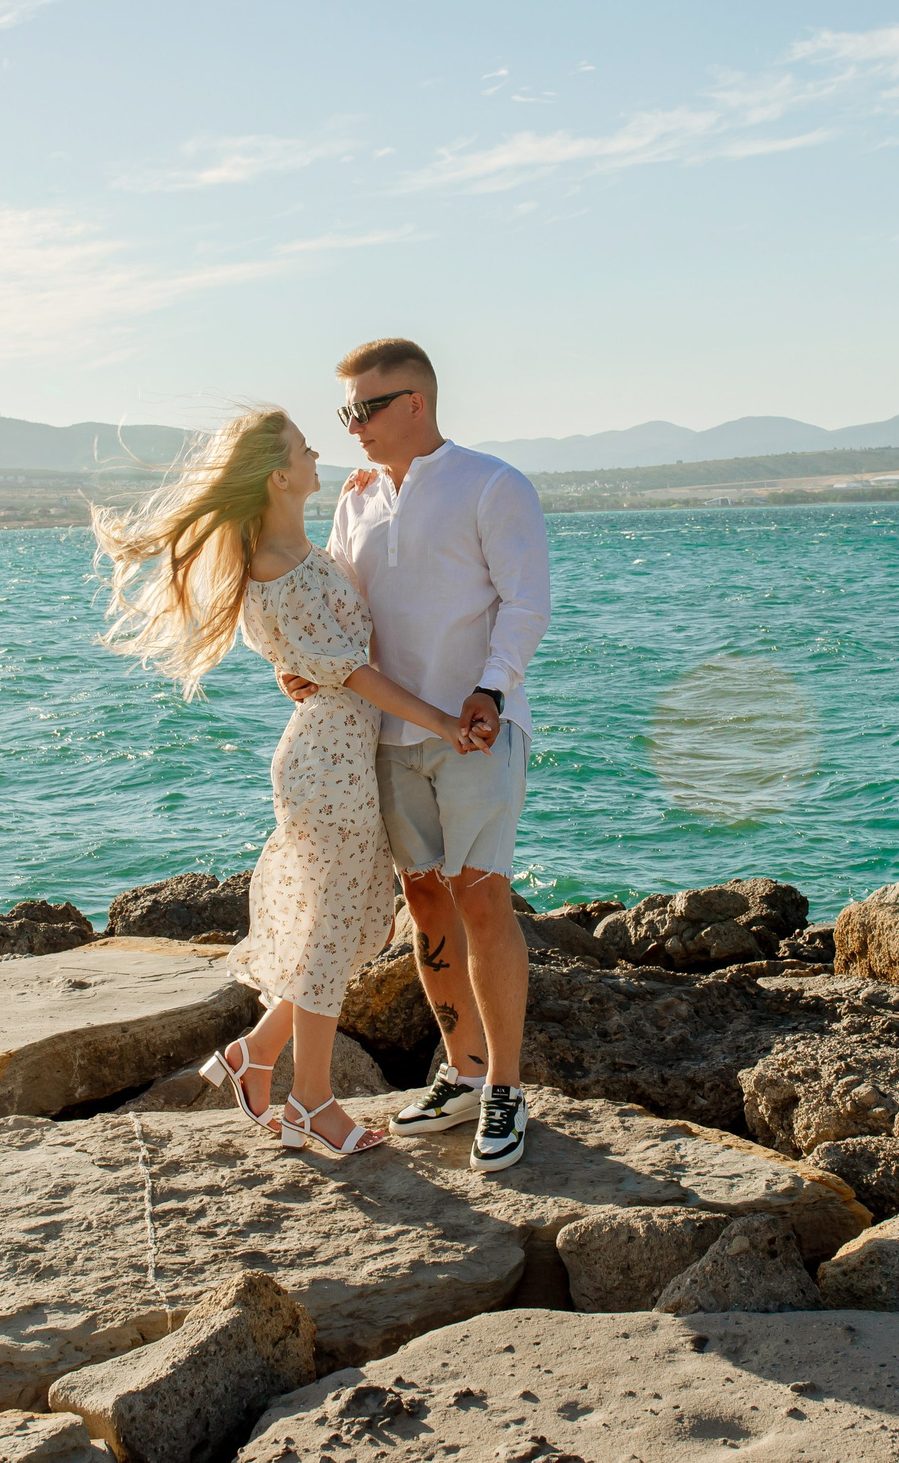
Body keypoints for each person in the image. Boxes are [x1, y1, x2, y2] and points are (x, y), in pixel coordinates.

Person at [93, 407, 475, 1157]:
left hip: (336, 752)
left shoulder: (293, 545)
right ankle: (312, 1102)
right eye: (305, 448)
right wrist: (442, 721)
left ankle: (251, 1058)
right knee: (330, 933)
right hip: (330, 760)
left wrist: (358, 498)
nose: (318, 452)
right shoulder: (278, 563)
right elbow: (353, 669)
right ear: (277, 474)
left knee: (346, 924)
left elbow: (316, 639)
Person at [281, 338, 551, 1173]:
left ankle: (505, 1087)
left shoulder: (493, 484)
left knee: (481, 902)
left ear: (416, 404)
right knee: (424, 908)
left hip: (472, 732)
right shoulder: (356, 502)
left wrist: (492, 690)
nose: (353, 425)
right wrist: (308, 664)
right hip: (386, 738)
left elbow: (526, 601)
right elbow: (341, 607)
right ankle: (463, 1072)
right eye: (346, 411)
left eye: (367, 407)